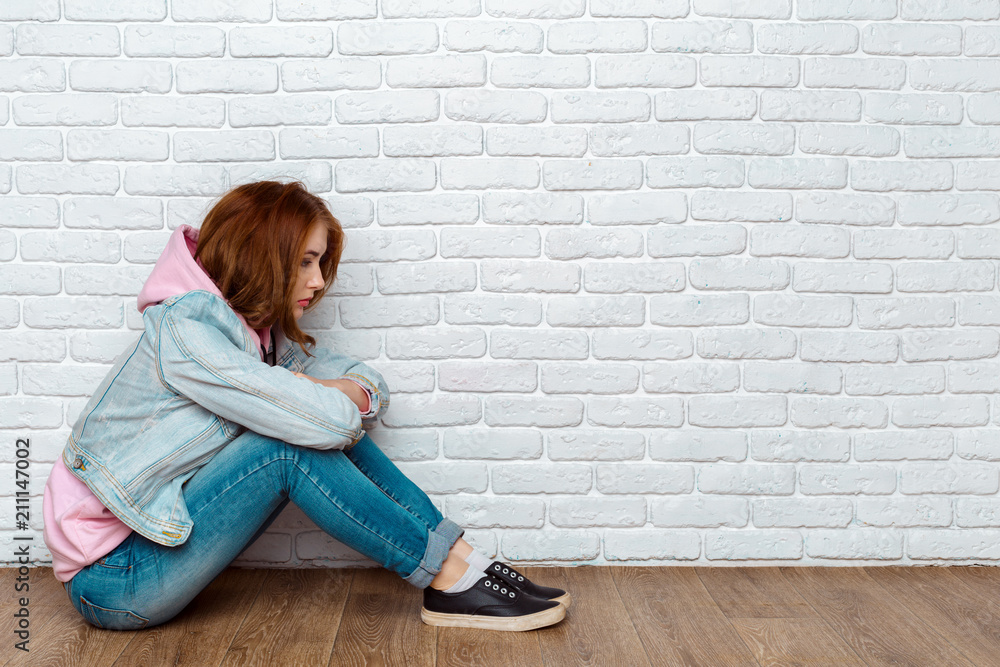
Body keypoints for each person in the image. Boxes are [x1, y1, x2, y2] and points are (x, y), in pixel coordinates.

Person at [41, 180, 570, 632]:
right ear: (261, 254)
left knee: (302, 427)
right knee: (287, 446)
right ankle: (448, 575)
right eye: (304, 262)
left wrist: (335, 392)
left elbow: (369, 384)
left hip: (153, 554)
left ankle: (460, 560)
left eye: (319, 263)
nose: (317, 283)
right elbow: (331, 421)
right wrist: (326, 398)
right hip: (113, 579)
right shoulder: (186, 333)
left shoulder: (258, 336)